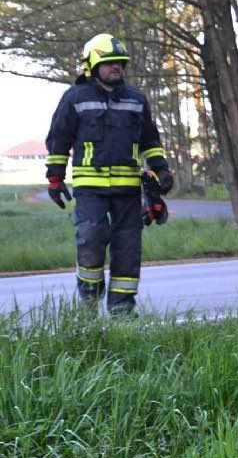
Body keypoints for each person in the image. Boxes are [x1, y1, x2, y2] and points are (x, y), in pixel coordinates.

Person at [44, 34, 173, 315]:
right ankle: (88, 302)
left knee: (128, 250)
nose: (117, 67)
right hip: (90, 190)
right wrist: (55, 178)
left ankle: (122, 312)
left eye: (120, 63)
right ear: (91, 64)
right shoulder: (75, 98)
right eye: (110, 62)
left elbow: (150, 140)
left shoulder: (136, 99)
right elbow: (59, 140)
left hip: (128, 191)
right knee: (90, 237)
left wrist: (161, 169)